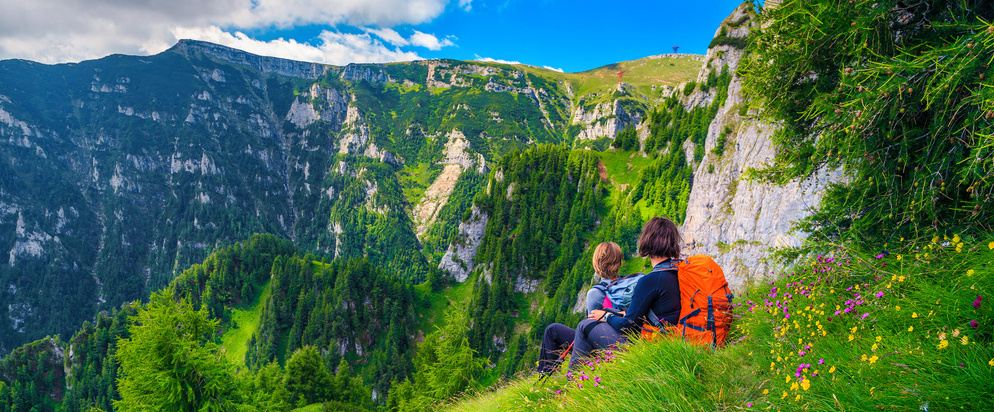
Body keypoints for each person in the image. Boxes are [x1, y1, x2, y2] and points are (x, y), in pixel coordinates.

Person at [537, 217, 684, 375]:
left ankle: (571, 387)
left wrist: (606, 316)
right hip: (670, 339)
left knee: (583, 325)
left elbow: (628, 324)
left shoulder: (650, 280)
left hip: (646, 344)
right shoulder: (679, 272)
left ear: (648, 242)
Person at [537, 242, 623, 375]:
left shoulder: (596, 293)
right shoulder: (628, 285)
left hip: (602, 345)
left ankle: (547, 374)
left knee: (553, 330)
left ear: (596, 265)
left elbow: (591, 327)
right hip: (625, 338)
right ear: (620, 263)